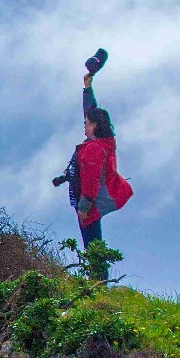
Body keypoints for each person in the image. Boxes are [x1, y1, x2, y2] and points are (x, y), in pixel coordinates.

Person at [59, 70, 133, 250]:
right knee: (93, 243)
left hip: (89, 205)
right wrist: (88, 88)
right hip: (88, 202)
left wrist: (84, 207)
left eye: (87, 123)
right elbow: (91, 111)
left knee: (92, 247)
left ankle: (97, 277)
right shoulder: (101, 143)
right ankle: (96, 275)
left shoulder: (95, 149)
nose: (84, 125)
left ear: (94, 125)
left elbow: (91, 180)